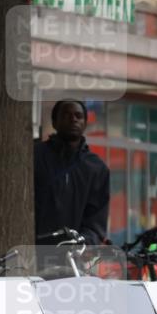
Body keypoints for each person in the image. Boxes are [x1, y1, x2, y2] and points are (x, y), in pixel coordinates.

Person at [34, 100, 110, 246]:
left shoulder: (97, 168)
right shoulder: (35, 156)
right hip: (32, 249)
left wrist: (83, 242)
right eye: (66, 115)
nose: (73, 119)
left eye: (78, 116)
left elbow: (96, 220)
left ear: (85, 123)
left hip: (74, 253)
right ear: (54, 122)